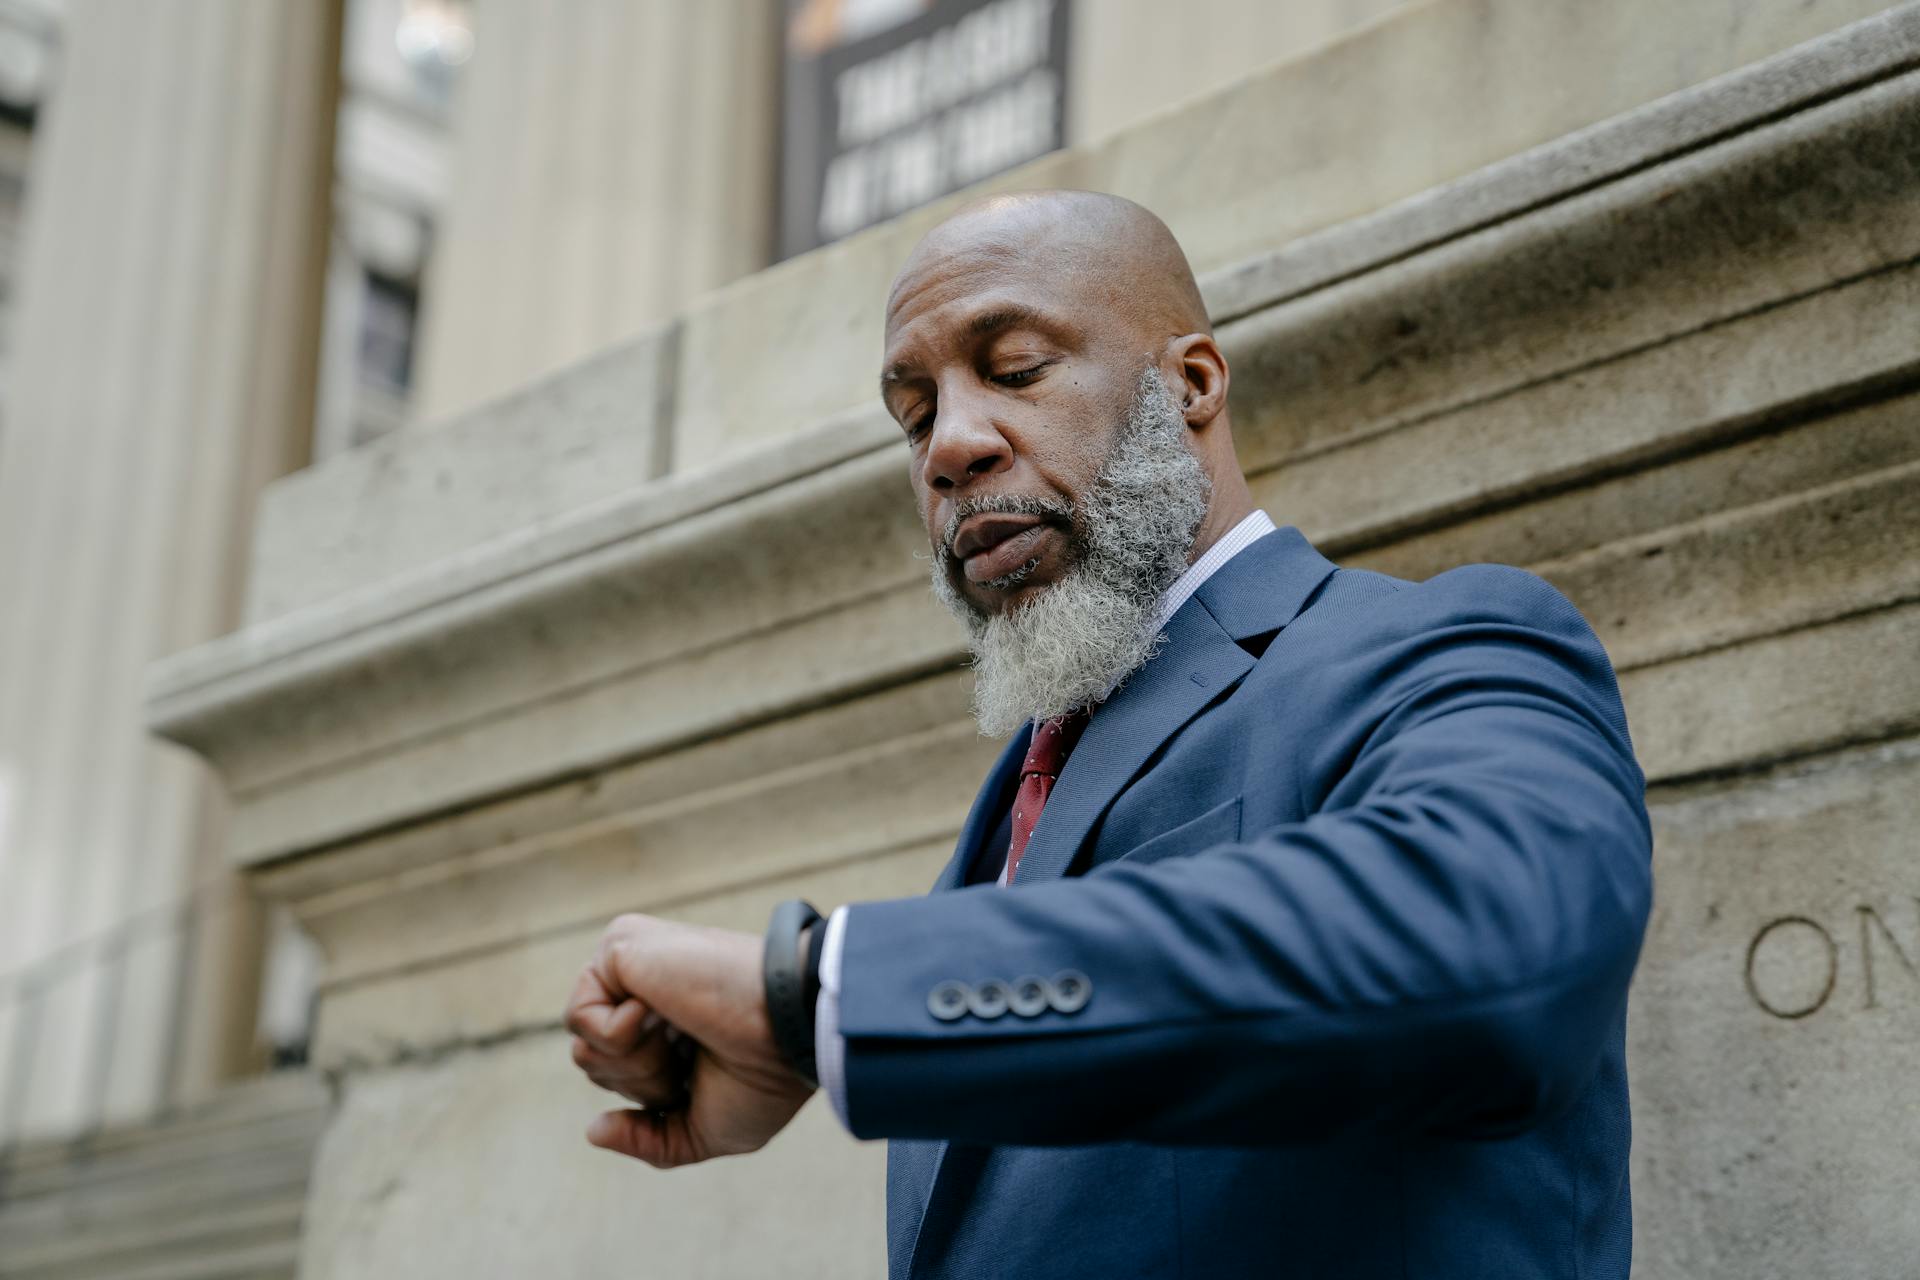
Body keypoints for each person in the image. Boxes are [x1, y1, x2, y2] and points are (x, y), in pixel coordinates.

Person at [564, 190, 1653, 1279]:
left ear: (1192, 383)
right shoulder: (1017, 798)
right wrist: (813, 1042)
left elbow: (1494, 954)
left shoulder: (1442, 640)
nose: (950, 446)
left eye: (1017, 367)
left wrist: (824, 995)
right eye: (913, 417)